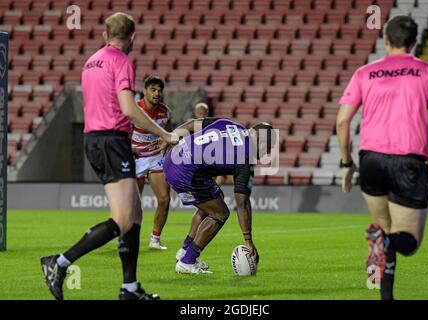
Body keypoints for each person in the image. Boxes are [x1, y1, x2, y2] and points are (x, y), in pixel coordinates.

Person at [40, 12, 177, 300]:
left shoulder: (91, 61)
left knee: (135, 213)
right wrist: (164, 134)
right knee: (123, 218)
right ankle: (60, 262)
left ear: (105, 35)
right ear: (132, 38)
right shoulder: (122, 61)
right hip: (111, 141)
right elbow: (128, 109)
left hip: (95, 139)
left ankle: (129, 288)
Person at [336, 16, 428, 300]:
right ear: (414, 42)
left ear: (385, 40)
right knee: (407, 243)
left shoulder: (364, 72)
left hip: (371, 159)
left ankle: (387, 296)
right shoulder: (427, 71)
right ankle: (383, 244)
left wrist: (348, 164)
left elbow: (342, 121)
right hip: (409, 160)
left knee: (383, 232)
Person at [162, 117, 274, 274]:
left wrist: (171, 136)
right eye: (268, 148)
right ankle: (187, 261)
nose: (266, 154)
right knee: (220, 213)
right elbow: (242, 203)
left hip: (172, 157)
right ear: (261, 143)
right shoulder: (246, 156)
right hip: (184, 172)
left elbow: (193, 124)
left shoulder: (231, 125)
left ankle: (185, 250)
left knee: (215, 197)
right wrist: (248, 240)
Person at [131, 75, 172, 250]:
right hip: (136, 157)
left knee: (164, 199)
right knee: (132, 203)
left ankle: (155, 239)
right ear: (144, 91)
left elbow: (168, 133)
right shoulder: (133, 109)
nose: (157, 93)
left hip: (155, 157)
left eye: (159, 90)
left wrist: (166, 141)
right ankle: (128, 237)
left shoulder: (166, 112)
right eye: (153, 90)